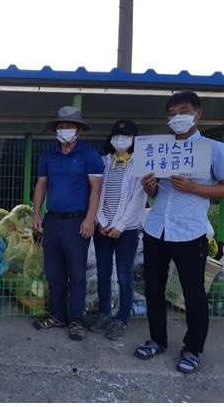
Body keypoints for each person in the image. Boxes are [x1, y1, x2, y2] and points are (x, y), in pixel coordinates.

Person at [135, 91, 224, 374]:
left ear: (198, 113)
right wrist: (150, 188)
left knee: (193, 294)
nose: (177, 118)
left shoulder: (214, 149)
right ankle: (157, 340)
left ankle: (192, 349)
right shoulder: (159, 149)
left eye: (183, 111)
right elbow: (155, 194)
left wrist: (194, 188)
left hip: (190, 232)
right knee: (153, 289)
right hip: (156, 229)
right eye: (171, 114)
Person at [32, 106, 104, 341]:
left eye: (70, 126)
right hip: (52, 220)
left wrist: (90, 219)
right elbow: (41, 185)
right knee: (53, 272)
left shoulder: (89, 156)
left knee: (77, 274)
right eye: (61, 126)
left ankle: (76, 321)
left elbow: (96, 189)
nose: (65, 130)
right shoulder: (48, 156)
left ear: (79, 129)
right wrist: (36, 214)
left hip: (77, 222)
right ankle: (57, 316)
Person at [89, 120, 147, 340]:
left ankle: (122, 318)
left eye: (127, 135)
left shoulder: (140, 164)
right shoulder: (102, 162)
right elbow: (95, 194)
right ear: (111, 138)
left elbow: (139, 199)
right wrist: (101, 221)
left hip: (127, 230)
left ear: (134, 139)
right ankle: (104, 313)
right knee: (103, 273)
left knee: (124, 276)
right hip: (102, 228)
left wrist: (120, 226)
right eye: (117, 135)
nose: (120, 140)